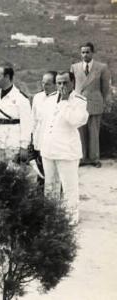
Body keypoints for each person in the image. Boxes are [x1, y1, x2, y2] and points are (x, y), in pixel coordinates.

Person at [39, 72, 89, 223]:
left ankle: (71, 218)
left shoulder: (79, 101)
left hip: (67, 151)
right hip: (48, 149)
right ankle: (51, 215)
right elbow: (44, 123)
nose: (62, 86)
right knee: (50, 186)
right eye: (59, 83)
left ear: (73, 82)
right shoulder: (49, 100)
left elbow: (75, 121)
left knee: (69, 187)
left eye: (65, 83)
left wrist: (65, 102)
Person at [70, 42, 111, 167]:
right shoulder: (74, 67)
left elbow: (105, 87)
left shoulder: (102, 67)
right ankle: (81, 158)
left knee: (94, 131)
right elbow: (71, 86)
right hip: (79, 103)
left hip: (95, 102)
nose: (85, 55)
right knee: (80, 132)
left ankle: (94, 159)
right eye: (83, 52)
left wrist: (103, 101)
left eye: (87, 52)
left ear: (92, 53)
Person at [0, 67, 33, 164]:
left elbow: (26, 124)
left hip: (12, 142)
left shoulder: (21, 98)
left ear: (7, 77)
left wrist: (24, 146)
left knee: (13, 172)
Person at [31, 71, 57, 181]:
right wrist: (31, 138)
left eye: (48, 84)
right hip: (38, 140)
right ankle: (40, 195)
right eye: (43, 83)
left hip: (53, 142)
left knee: (52, 173)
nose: (44, 86)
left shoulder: (59, 99)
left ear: (56, 84)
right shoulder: (37, 97)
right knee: (40, 171)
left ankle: (55, 196)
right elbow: (33, 119)